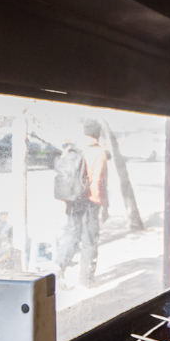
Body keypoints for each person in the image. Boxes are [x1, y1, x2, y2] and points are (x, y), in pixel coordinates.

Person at [57, 119, 110, 285]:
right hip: (91, 202)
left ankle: (59, 268)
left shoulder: (72, 150)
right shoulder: (99, 152)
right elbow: (99, 181)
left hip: (73, 200)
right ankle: (86, 280)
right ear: (98, 133)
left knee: (72, 235)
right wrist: (105, 205)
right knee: (89, 239)